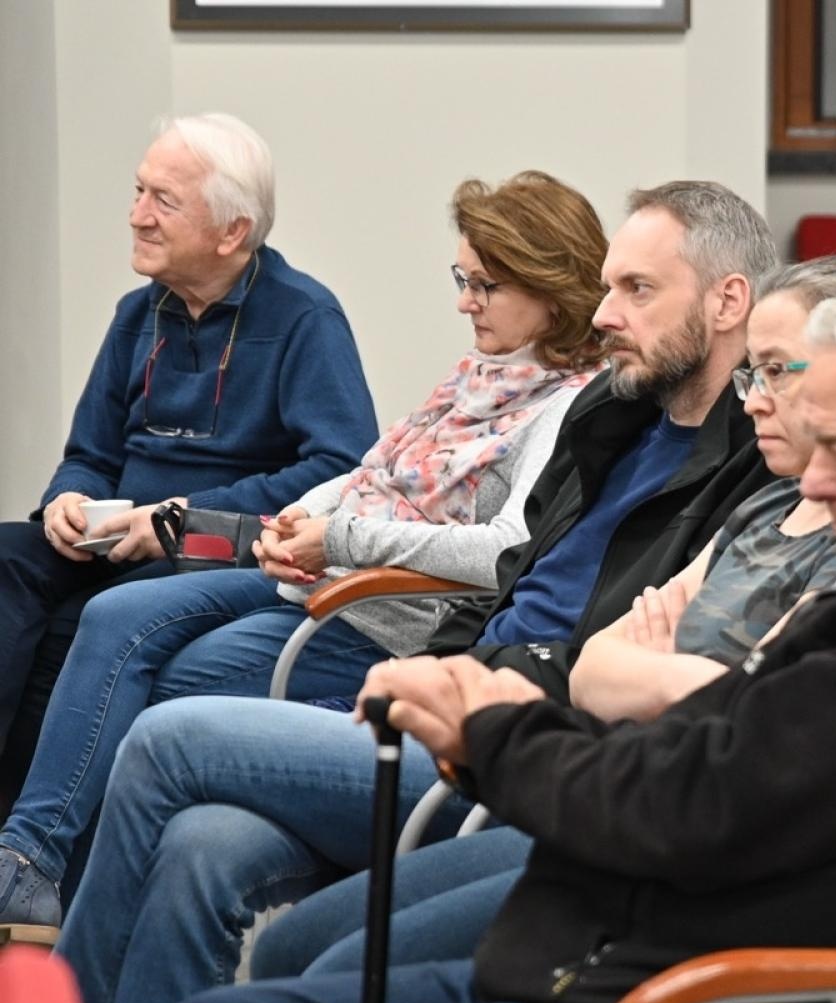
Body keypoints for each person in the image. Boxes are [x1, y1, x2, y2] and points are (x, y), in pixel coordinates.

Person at [157, 262, 836, 1003]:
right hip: (628, 966)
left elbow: (694, 800)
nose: (818, 479)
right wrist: (514, 706)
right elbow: (712, 747)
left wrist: (489, 724)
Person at [55, 180, 778, 1003]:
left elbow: (627, 663)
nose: (607, 313)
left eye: (637, 290)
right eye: (610, 285)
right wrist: (442, 658)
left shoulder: (754, 465)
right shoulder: (611, 413)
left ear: (729, 300)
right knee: (202, 844)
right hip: (452, 691)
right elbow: (517, 570)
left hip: (523, 743)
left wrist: (459, 666)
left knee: (166, 734)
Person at [0, 169, 610, 943]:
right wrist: (303, 515)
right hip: (317, 568)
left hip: (373, 613)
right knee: (107, 613)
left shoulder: (565, 403)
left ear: (551, 289)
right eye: (464, 279)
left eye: (484, 285)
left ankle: (64, 902)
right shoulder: (479, 372)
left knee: (157, 691)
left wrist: (341, 537)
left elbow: (505, 554)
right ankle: (29, 864)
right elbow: (368, 471)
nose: (464, 302)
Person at [244, 253, 836, 984]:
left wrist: (644, 675)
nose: (755, 400)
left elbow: (749, 719)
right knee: (229, 868)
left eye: (778, 372)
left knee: (172, 731)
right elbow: (596, 655)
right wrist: (654, 673)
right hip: (554, 740)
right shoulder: (746, 488)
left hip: (598, 789)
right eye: (754, 374)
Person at [0, 113, 376, 781]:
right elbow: (89, 450)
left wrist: (177, 515)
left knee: (74, 623)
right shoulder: (135, 314)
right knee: (6, 558)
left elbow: (341, 470)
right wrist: (68, 497)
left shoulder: (304, 318)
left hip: (216, 542)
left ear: (232, 232)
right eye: (138, 192)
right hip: (110, 533)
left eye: (163, 201)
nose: (137, 216)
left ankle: (27, 849)